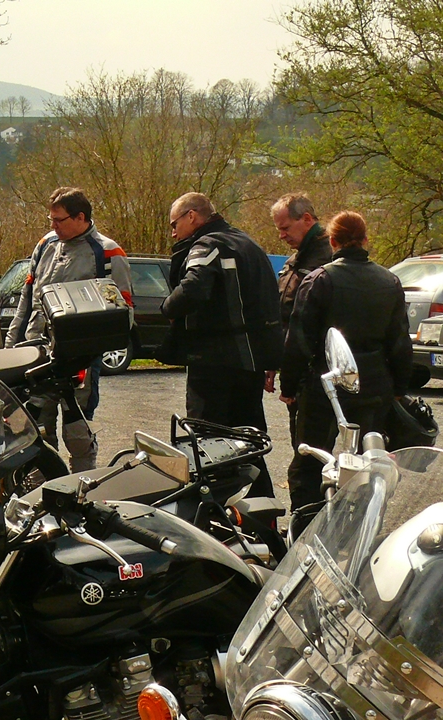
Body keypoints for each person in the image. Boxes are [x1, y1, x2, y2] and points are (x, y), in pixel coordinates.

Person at [279, 211, 411, 531]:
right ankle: (360, 533)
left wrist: (289, 386)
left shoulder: (319, 280)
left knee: (311, 461)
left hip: (327, 384)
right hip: (373, 383)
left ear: (333, 241)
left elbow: (298, 340)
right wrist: (399, 387)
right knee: (368, 463)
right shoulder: (389, 281)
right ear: (366, 241)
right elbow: (399, 341)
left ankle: (307, 530)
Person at [160, 192, 282, 496]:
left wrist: (167, 308)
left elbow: (194, 288)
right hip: (250, 363)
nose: (173, 233)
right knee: (248, 441)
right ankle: (263, 511)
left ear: (192, 216)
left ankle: (215, 518)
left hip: (214, 363)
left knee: (208, 444)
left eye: (175, 224)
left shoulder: (207, 244)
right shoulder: (250, 244)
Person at [5, 187, 132, 471]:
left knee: (77, 431)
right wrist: (11, 347)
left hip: (80, 359)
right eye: (50, 219)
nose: (53, 226)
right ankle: (40, 489)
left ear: (80, 217)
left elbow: (124, 313)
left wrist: (93, 346)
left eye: (59, 220)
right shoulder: (45, 244)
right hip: (35, 352)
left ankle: (81, 491)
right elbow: (27, 299)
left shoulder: (109, 252)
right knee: (35, 429)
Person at [265, 193, 332, 444]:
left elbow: (304, 327)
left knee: (310, 456)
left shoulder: (329, 259)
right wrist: (273, 360)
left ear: (305, 219)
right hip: (300, 371)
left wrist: (292, 381)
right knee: (303, 448)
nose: (281, 235)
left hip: (318, 374)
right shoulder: (295, 260)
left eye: (285, 228)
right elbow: (283, 316)